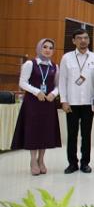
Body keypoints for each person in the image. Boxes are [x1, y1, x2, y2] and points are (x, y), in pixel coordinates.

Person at [11, 38, 61, 175]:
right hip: (32, 103)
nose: (47, 50)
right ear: (39, 48)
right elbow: (22, 82)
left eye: (51, 48)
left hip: (48, 103)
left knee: (45, 131)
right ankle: (33, 160)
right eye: (45, 47)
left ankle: (41, 160)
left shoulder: (55, 66)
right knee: (33, 130)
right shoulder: (30, 64)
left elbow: (58, 85)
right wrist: (36, 91)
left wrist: (53, 94)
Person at [59, 29, 94, 174]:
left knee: (86, 134)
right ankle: (72, 163)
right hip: (72, 102)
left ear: (89, 40)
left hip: (89, 103)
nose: (83, 40)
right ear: (74, 41)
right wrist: (64, 100)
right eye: (79, 38)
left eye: (85, 38)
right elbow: (62, 80)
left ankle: (85, 163)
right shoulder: (66, 58)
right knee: (72, 135)